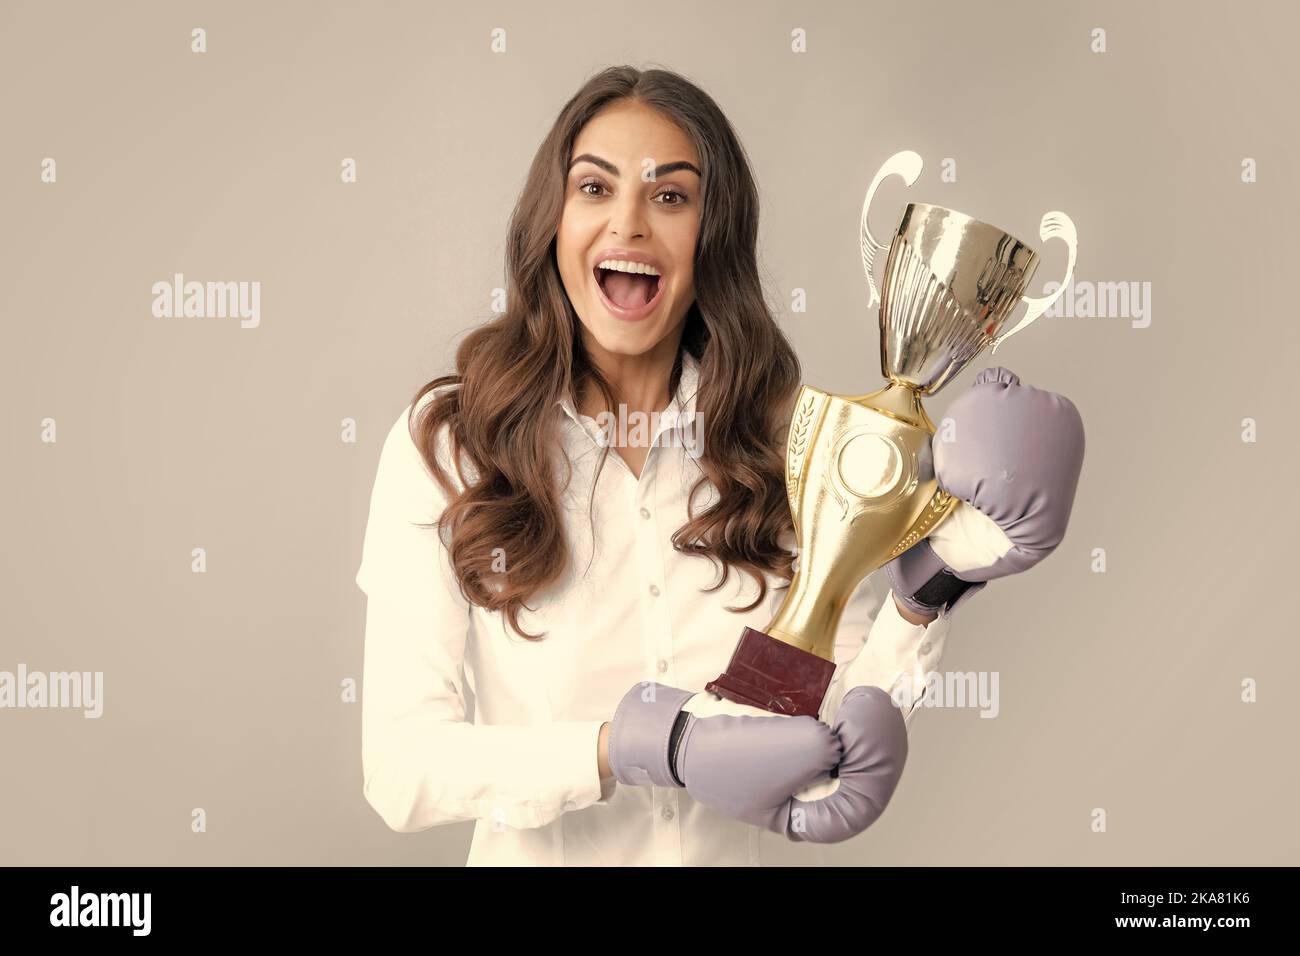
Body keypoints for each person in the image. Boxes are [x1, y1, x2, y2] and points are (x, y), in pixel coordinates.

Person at [355, 65, 1084, 865]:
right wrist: (631, 747)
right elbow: (403, 767)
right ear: (551, 222)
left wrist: (929, 589)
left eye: (671, 196)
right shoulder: (455, 442)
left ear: (714, 235)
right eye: (594, 189)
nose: (628, 224)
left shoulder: (785, 445)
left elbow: (823, 729)